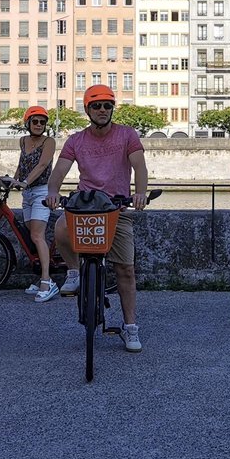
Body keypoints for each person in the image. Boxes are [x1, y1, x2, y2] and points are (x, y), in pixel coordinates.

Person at [44, 85, 151, 352]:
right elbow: (59, 170)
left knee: (125, 269)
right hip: (86, 206)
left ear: (112, 109)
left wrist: (139, 194)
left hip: (116, 207)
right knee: (59, 227)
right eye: (96, 106)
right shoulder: (76, 140)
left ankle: (130, 327)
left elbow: (139, 165)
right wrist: (53, 191)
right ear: (88, 110)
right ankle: (73, 271)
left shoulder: (127, 135)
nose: (102, 110)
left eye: (107, 105)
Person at [12, 105, 59, 302]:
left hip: (41, 191)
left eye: (42, 122)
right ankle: (40, 277)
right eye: (35, 121)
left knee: (37, 236)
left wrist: (25, 182)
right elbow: (22, 164)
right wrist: (14, 180)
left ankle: (48, 281)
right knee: (32, 236)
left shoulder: (49, 142)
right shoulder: (23, 141)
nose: (39, 125)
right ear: (28, 123)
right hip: (28, 193)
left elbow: (42, 165)